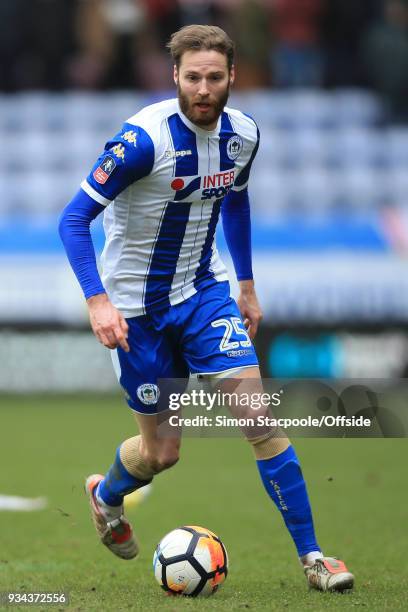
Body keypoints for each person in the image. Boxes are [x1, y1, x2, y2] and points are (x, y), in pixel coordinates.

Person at [59, 24, 354, 593]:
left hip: (203, 293)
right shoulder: (142, 142)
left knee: (258, 420)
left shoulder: (243, 135)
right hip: (135, 311)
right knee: (161, 453)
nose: (202, 88)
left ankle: (315, 558)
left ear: (231, 78)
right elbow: (73, 220)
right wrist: (98, 302)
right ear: (174, 76)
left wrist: (245, 283)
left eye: (213, 78)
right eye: (191, 77)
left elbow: (236, 198)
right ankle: (107, 495)